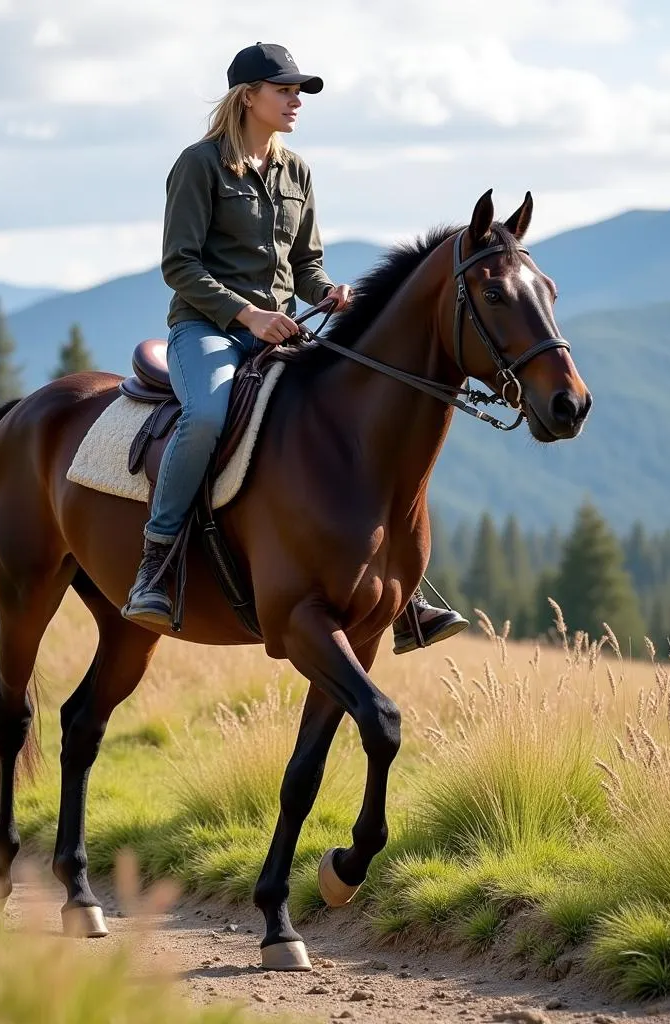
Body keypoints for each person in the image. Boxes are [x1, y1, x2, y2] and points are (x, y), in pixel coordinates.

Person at [122, 41, 468, 654]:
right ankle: (158, 560)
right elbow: (179, 265)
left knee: (351, 423)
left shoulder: (296, 171)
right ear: (247, 97)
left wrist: (328, 291)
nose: (295, 102)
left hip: (282, 330)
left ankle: (399, 587)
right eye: (284, 91)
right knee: (205, 416)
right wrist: (247, 315)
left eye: (299, 93)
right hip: (206, 330)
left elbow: (306, 265)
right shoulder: (199, 165)